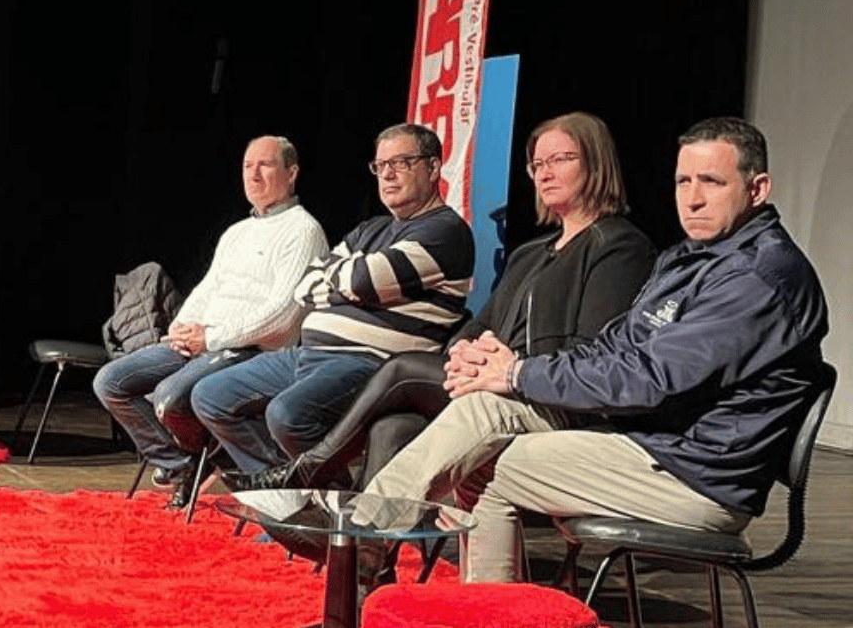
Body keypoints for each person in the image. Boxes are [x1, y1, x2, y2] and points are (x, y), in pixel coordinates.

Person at [336, 117, 827, 584]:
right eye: (683, 182)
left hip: (695, 475)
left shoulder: (758, 277)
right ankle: (365, 535)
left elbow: (648, 380)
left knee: (487, 463)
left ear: (757, 189)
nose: (693, 199)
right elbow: (614, 345)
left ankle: (395, 562)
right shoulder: (690, 257)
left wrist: (518, 373)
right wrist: (503, 370)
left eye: (712, 183)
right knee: (484, 408)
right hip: (650, 440)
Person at [256, 113, 655, 491]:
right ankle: (364, 531)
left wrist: (511, 367)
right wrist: (464, 354)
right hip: (495, 379)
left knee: (402, 369)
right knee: (393, 426)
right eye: (537, 164)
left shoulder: (619, 247)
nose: (545, 172)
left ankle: (312, 469)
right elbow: (481, 323)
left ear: (596, 163)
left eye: (561, 159)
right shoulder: (531, 253)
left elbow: (594, 354)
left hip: (550, 396)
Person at [192, 123, 474, 482]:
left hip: (367, 363)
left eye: (401, 163)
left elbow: (361, 281)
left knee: (287, 415)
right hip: (309, 354)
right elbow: (306, 286)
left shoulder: (444, 231)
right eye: (380, 165)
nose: (387, 174)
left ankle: (324, 497)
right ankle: (287, 494)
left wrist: (347, 279)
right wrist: (356, 282)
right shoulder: (371, 228)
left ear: (433, 168)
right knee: (210, 396)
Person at [92, 135, 329, 506]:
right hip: (204, 341)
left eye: (265, 165)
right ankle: (182, 465)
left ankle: (226, 461)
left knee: (170, 397)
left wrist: (212, 338)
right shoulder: (237, 232)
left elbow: (283, 315)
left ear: (292, 173)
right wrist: (182, 326)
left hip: (250, 349)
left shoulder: (303, 230)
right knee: (111, 381)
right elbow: (209, 287)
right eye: (248, 166)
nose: (254, 174)